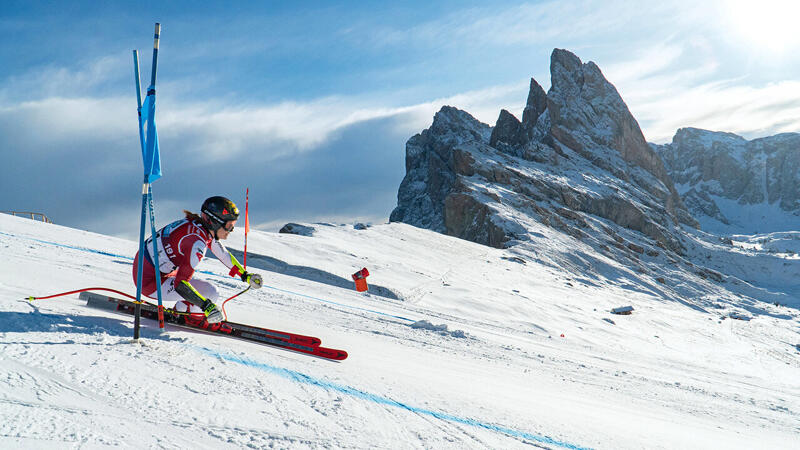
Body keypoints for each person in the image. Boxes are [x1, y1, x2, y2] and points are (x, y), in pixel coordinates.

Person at [132, 196, 263, 329]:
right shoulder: (197, 243)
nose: (231, 231)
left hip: (153, 270)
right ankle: (193, 319)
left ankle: (182, 309)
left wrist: (245, 275)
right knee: (211, 292)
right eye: (229, 226)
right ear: (214, 222)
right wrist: (207, 306)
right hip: (150, 282)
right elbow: (180, 284)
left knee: (197, 284)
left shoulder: (200, 228)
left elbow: (223, 254)